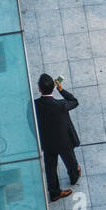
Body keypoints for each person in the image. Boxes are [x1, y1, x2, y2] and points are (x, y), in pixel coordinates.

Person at [34, 73, 81, 202]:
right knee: (71, 162)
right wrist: (61, 90)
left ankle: (54, 192)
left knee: (50, 167)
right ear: (54, 87)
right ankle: (73, 177)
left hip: (47, 142)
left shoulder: (35, 105)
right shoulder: (60, 105)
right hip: (64, 141)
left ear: (39, 89)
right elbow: (74, 101)